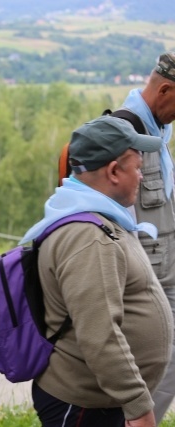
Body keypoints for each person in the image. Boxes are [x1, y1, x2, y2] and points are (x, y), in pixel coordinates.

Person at [20, 115, 173, 427]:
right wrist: (139, 407)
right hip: (85, 406)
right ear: (114, 171)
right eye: (138, 167)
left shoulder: (97, 216)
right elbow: (99, 334)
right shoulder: (88, 237)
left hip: (98, 401)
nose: (142, 177)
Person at [120, 51, 175, 423]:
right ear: (166, 90)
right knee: (155, 363)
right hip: (143, 281)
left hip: (166, 275)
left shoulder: (158, 131)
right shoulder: (125, 134)